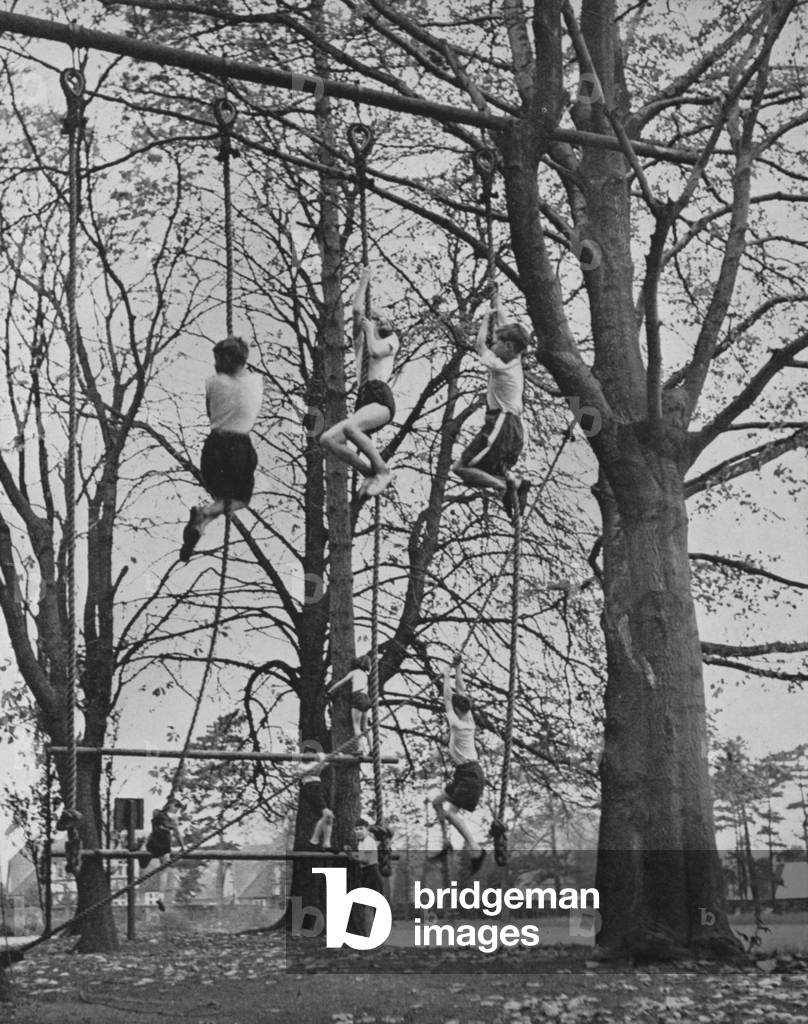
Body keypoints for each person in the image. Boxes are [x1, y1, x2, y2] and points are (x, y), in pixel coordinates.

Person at [180, 335, 263, 562]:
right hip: (240, 447)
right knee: (240, 499)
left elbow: (209, 413)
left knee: (221, 495)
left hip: (213, 447)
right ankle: (205, 514)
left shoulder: (212, 383)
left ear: (225, 359)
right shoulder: (257, 381)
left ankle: (201, 524)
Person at [452, 288, 530, 522]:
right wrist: (496, 299)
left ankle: (505, 487)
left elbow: (478, 345)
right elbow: (505, 323)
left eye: (496, 341)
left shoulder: (502, 365)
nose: (492, 342)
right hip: (513, 429)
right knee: (475, 469)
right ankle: (513, 484)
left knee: (461, 468)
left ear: (507, 347)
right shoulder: (515, 358)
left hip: (502, 424)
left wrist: (486, 318)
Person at [320, 266, 398, 499]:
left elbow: (376, 353)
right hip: (363, 398)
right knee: (327, 439)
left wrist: (369, 331)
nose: (382, 320)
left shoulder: (391, 341)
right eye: (377, 317)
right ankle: (369, 471)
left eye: (385, 317)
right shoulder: (360, 345)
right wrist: (364, 279)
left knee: (351, 428)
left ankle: (383, 471)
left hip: (380, 396)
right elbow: (356, 310)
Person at [431, 655, 486, 873]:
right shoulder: (468, 718)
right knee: (437, 802)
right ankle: (447, 844)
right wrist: (458, 667)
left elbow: (447, 697)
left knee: (452, 813)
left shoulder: (458, 724)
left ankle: (476, 848)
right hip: (464, 773)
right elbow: (460, 691)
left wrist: (446, 676)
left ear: (458, 710)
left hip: (470, 774)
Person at [326, 655, 372, 754]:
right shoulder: (365, 675)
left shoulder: (354, 672)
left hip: (358, 697)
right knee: (365, 726)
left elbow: (341, 682)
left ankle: (360, 748)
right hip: (367, 698)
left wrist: (330, 691)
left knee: (356, 725)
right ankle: (372, 749)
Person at [299, 753, 335, 851]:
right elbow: (315, 770)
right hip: (311, 788)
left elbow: (325, 764)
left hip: (318, 787)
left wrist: (334, 757)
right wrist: (322, 759)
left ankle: (326, 844)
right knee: (327, 814)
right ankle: (314, 840)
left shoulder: (315, 763)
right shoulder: (302, 766)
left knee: (328, 818)